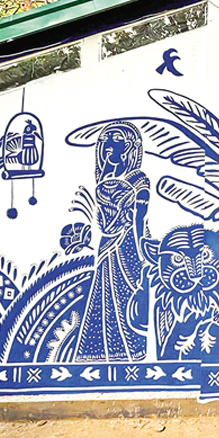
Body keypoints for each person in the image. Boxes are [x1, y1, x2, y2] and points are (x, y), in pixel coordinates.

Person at [76, 122, 149, 362]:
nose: (108, 145)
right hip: (107, 244)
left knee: (127, 297)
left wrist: (142, 254)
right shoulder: (106, 177)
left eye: (116, 140)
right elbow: (103, 221)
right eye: (105, 140)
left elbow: (139, 219)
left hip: (129, 245)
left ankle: (131, 352)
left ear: (129, 147)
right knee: (104, 298)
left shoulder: (138, 179)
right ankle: (101, 354)